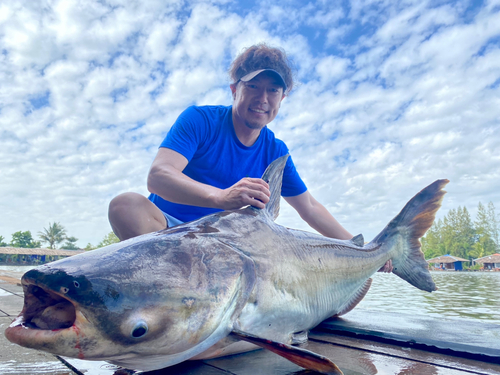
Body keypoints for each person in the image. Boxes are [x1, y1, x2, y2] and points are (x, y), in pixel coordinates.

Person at [108, 44, 393, 273]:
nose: (263, 98)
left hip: (229, 249)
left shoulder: (276, 150)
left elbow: (309, 206)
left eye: (273, 90)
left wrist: (362, 248)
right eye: (253, 86)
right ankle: (169, 286)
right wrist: (220, 197)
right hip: (168, 237)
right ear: (235, 90)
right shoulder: (200, 119)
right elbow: (159, 176)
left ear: (282, 98)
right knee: (125, 205)